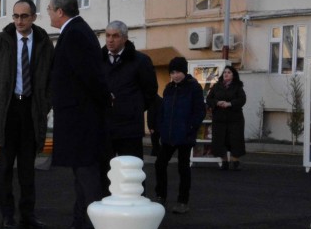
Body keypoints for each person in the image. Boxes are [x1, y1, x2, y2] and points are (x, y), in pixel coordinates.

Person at [0, 0, 54, 229]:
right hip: (9, 109)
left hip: (32, 109)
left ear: (33, 17)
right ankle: (7, 215)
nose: (19, 21)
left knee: (27, 168)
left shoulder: (43, 43)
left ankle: (28, 215)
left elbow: (53, 76)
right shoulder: (1, 40)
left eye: (24, 16)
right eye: (16, 16)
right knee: (4, 167)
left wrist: (46, 103)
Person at [46, 0, 110, 229]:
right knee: (79, 174)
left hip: (81, 118)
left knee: (87, 175)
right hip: (77, 115)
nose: (48, 13)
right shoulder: (76, 32)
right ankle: (78, 223)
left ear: (60, 11)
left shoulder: (75, 34)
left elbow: (90, 77)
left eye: (50, 9)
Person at [155, 57, 206, 214]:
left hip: (185, 135)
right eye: (172, 72)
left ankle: (183, 201)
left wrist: (190, 127)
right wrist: (161, 127)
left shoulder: (194, 88)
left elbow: (199, 111)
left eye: (177, 72)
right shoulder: (169, 88)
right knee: (159, 164)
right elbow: (163, 110)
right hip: (168, 134)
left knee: (183, 168)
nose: (175, 75)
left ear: (184, 72)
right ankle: (160, 196)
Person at [101, 20, 157, 160]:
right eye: (107, 35)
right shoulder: (97, 60)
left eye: (115, 36)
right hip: (104, 127)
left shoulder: (140, 61)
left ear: (125, 38)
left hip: (129, 129)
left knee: (131, 172)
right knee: (104, 173)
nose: (110, 40)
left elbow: (150, 91)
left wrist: (133, 108)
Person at [206, 64, 246, 171]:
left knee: (235, 140)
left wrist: (230, 104)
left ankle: (235, 160)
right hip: (219, 119)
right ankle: (224, 161)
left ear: (233, 75)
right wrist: (217, 102)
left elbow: (242, 100)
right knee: (220, 140)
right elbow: (209, 99)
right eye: (224, 72)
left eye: (229, 72)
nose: (226, 74)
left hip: (235, 119)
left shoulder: (237, 86)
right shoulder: (216, 86)